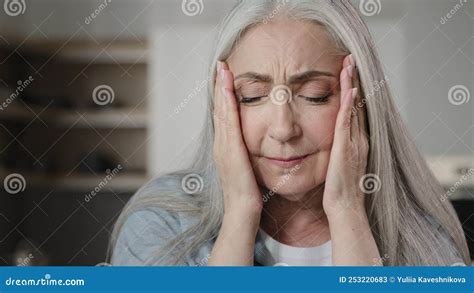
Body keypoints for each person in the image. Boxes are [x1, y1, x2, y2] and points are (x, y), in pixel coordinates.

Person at [108, 0, 470, 266]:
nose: (283, 129)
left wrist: (346, 211)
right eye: (252, 96)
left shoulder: (423, 242)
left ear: (363, 102)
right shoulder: (160, 223)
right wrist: (240, 213)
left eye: (315, 96)